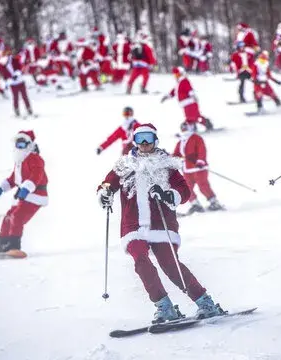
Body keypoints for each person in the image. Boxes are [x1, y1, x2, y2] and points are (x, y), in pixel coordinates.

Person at [96, 123, 224, 322]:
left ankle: (204, 301)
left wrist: (168, 194)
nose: (144, 143)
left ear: (155, 140)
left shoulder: (167, 165)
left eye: (148, 138)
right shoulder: (124, 165)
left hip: (161, 224)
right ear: (134, 142)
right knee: (141, 260)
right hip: (133, 225)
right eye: (140, 139)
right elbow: (108, 183)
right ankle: (164, 306)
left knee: (170, 265)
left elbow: (184, 190)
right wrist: (104, 192)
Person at [0, 130, 48, 257]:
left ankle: (14, 245)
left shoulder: (35, 159)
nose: (19, 148)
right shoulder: (19, 161)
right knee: (8, 217)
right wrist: (3, 188)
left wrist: (27, 188)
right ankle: (3, 243)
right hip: (23, 195)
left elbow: (37, 175)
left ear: (29, 144)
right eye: (17, 145)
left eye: (21, 145)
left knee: (17, 217)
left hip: (36, 196)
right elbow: (14, 178)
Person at [173, 122, 223, 214]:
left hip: (198, 168)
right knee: (187, 188)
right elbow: (176, 154)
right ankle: (195, 204)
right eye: (183, 128)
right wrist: (167, 156)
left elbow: (202, 150)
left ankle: (214, 202)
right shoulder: (181, 141)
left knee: (202, 185)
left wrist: (201, 161)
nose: (184, 129)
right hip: (187, 169)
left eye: (186, 127)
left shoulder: (196, 138)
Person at [161, 66, 214, 131]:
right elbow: (174, 92)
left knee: (194, 117)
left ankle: (206, 123)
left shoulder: (184, 81)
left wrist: (193, 96)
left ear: (181, 74)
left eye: (177, 75)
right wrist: (167, 96)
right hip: (186, 105)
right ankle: (191, 127)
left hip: (190, 103)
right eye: (175, 76)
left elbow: (189, 89)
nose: (176, 77)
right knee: (190, 117)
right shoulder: (178, 84)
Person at [0, 53, 33, 117]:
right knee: (15, 97)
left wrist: (17, 74)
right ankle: (16, 110)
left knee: (24, 96)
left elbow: (20, 68)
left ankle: (29, 109)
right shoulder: (2, 66)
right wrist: (10, 79)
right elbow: (4, 75)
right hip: (13, 84)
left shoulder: (14, 60)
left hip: (20, 81)